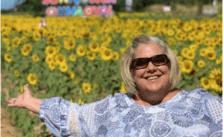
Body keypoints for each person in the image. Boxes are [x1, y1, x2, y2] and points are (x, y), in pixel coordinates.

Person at [8, 34, 222, 137]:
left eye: (158, 60)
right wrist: (32, 102)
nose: (151, 68)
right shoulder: (114, 108)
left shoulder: (203, 104)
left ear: (169, 64)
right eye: (141, 63)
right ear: (131, 71)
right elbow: (76, 118)